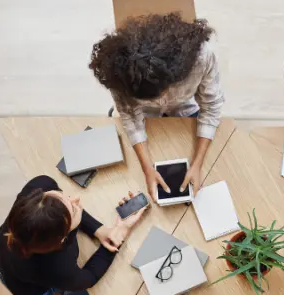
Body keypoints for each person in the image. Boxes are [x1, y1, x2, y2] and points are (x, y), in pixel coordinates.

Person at [89, 13, 224, 200]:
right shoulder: (121, 74)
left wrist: (197, 164)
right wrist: (147, 170)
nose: (160, 100)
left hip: (184, 109)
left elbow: (211, 107)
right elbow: (130, 117)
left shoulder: (202, 57)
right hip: (145, 117)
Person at [0, 175, 147, 295]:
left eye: (63, 196)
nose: (76, 199)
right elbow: (89, 278)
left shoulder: (39, 186)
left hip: (7, 265)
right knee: (105, 294)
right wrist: (119, 234)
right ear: (62, 239)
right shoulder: (58, 268)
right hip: (32, 292)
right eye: (74, 210)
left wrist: (98, 230)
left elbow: (60, 214)